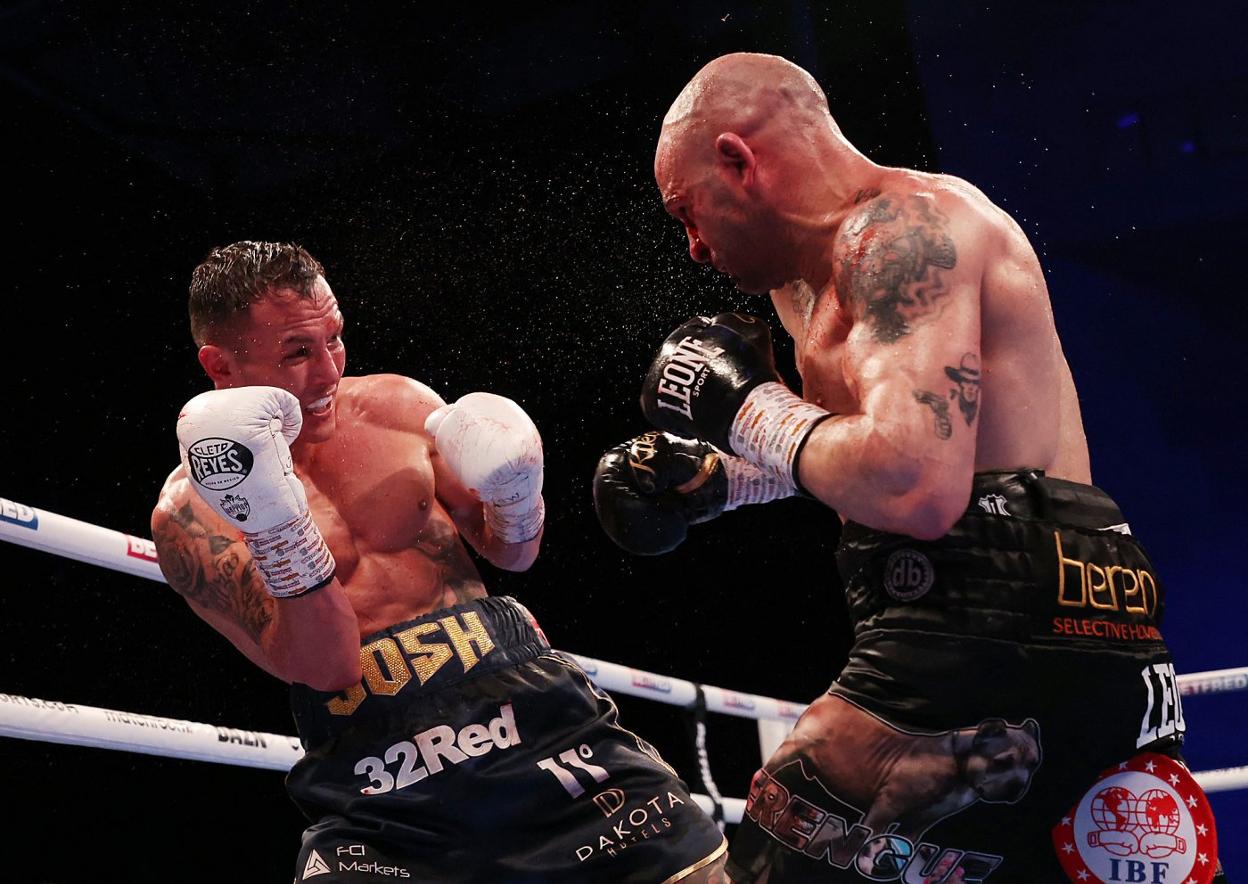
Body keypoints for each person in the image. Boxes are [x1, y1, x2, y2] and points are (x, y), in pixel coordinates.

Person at [593, 54, 1223, 882]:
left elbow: (916, 486)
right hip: (1080, 614)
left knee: (781, 852)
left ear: (740, 162)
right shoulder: (805, 288)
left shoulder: (901, 234)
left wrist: (742, 405)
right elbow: (880, 450)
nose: (695, 248)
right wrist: (723, 480)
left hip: (989, 612)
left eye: (689, 211)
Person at [151, 241, 727, 883]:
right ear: (219, 366)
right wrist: (277, 525)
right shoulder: (189, 519)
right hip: (382, 771)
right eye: (297, 353)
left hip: (532, 713)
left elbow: (515, 553)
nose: (327, 374)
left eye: (334, 340)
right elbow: (327, 665)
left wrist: (518, 493)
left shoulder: (398, 406)